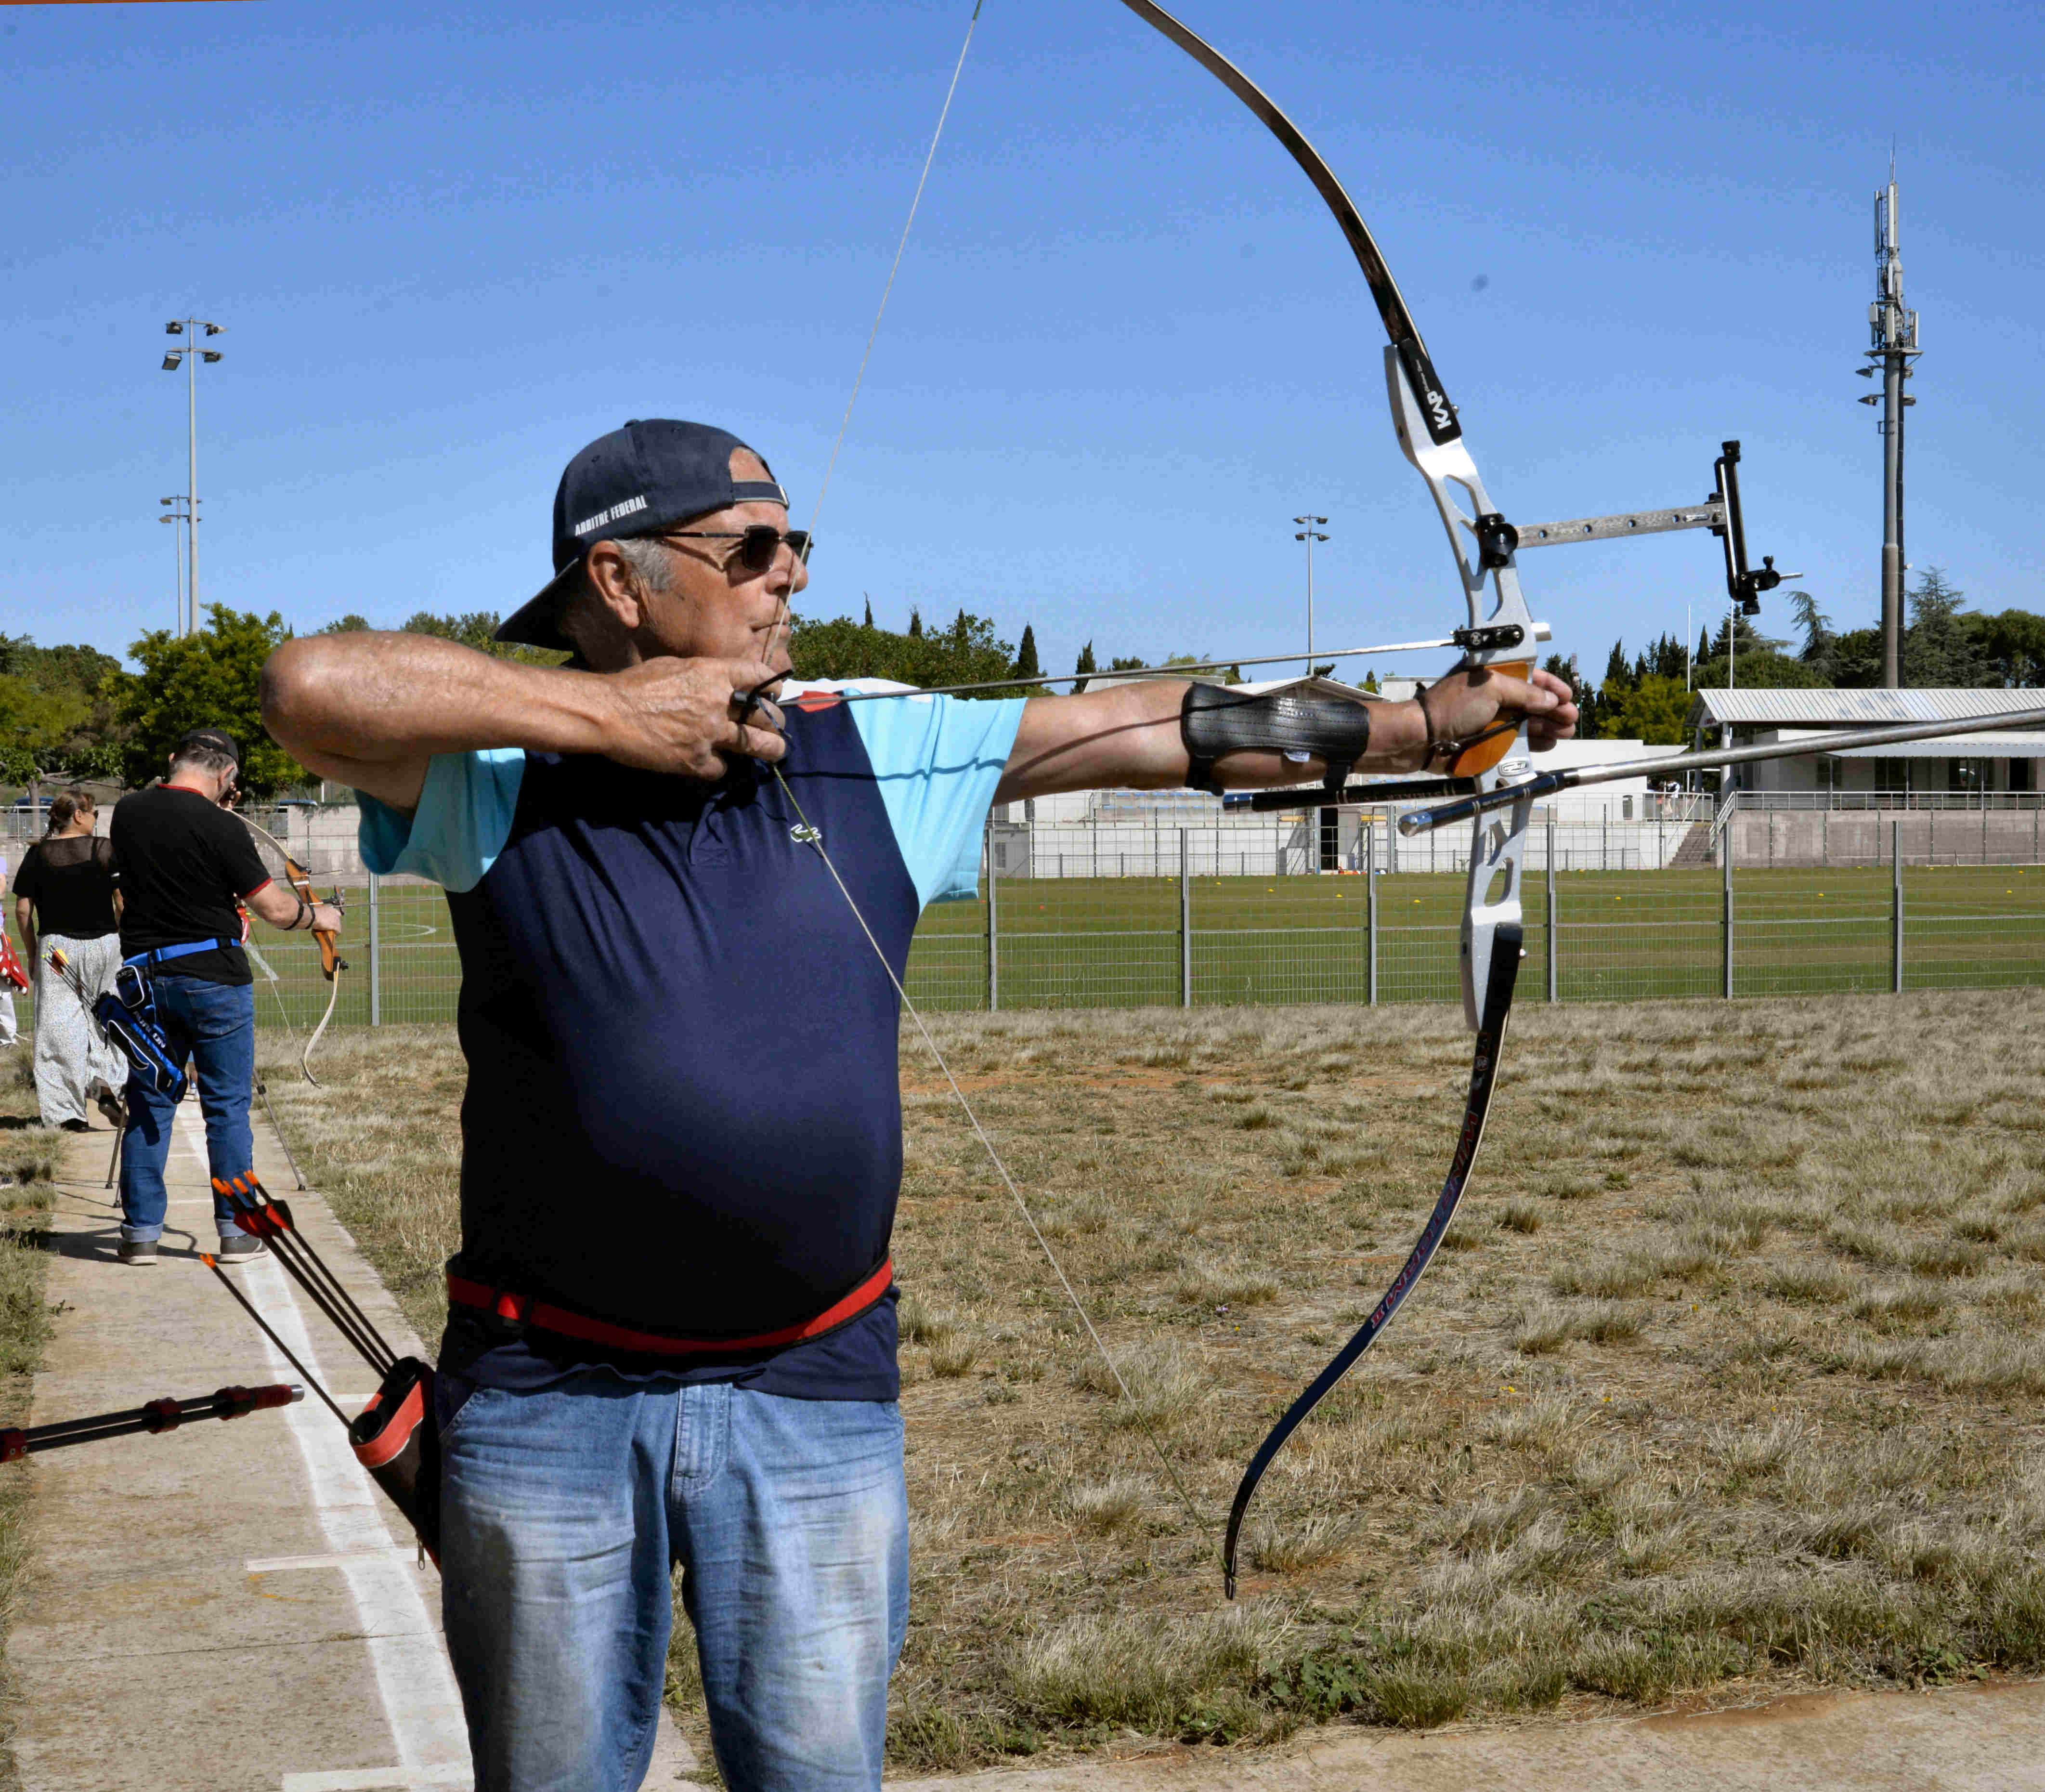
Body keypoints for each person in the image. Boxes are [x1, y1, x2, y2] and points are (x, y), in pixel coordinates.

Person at [261, 418, 1578, 1792]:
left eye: (795, 545)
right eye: (751, 549)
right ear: (618, 581)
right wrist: (608, 719)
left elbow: (1160, 730)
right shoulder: (496, 769)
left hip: (811, 1389)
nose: (790, 575)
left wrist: (1423, 723)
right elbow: (305, 686)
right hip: (550, 1400)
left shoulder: (865, 745)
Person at [108, 729, 343, 1266]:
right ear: (227, 774)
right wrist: (320, 916)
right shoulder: (223, 826)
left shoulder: (128, 812)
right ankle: (237, 1232)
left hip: (146, 980)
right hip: (214, 980)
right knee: (227, 1107)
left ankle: (140, 1234)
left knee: (149, 1101)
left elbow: (167, 843)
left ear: (175, 758)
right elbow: (276, 909)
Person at [12, 793, 128, 1131]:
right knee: (107, 1015)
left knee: (58, 1026)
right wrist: (120, 938)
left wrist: (32, 952)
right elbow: (122, 903)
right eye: (94, 813)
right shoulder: (104, 849)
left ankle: (68, 1114)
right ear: (78, 815)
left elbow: (23, 911)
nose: (95, 819)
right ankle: (107, 1082)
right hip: (104, 945)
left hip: (57, 950)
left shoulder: (37, 855)